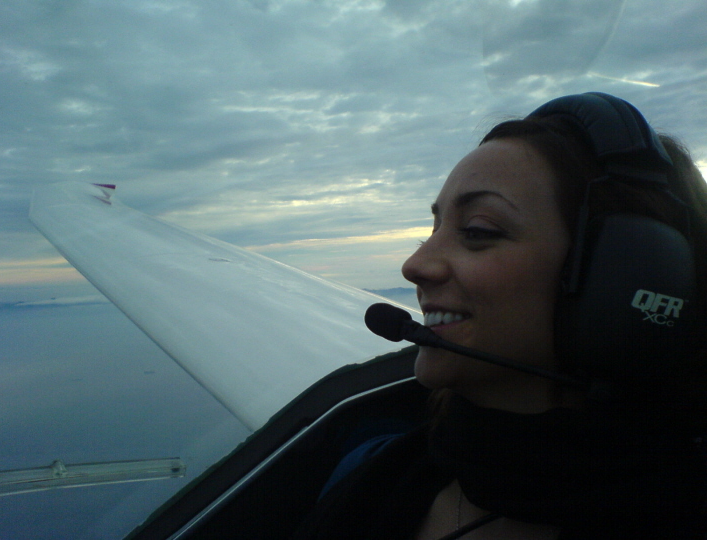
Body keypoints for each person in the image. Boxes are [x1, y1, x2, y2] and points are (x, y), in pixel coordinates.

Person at [290, 92, 707, 539]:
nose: (415, 265)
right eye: (433, 230)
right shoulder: (371, 477)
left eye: (477, 230)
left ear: (625, 280)